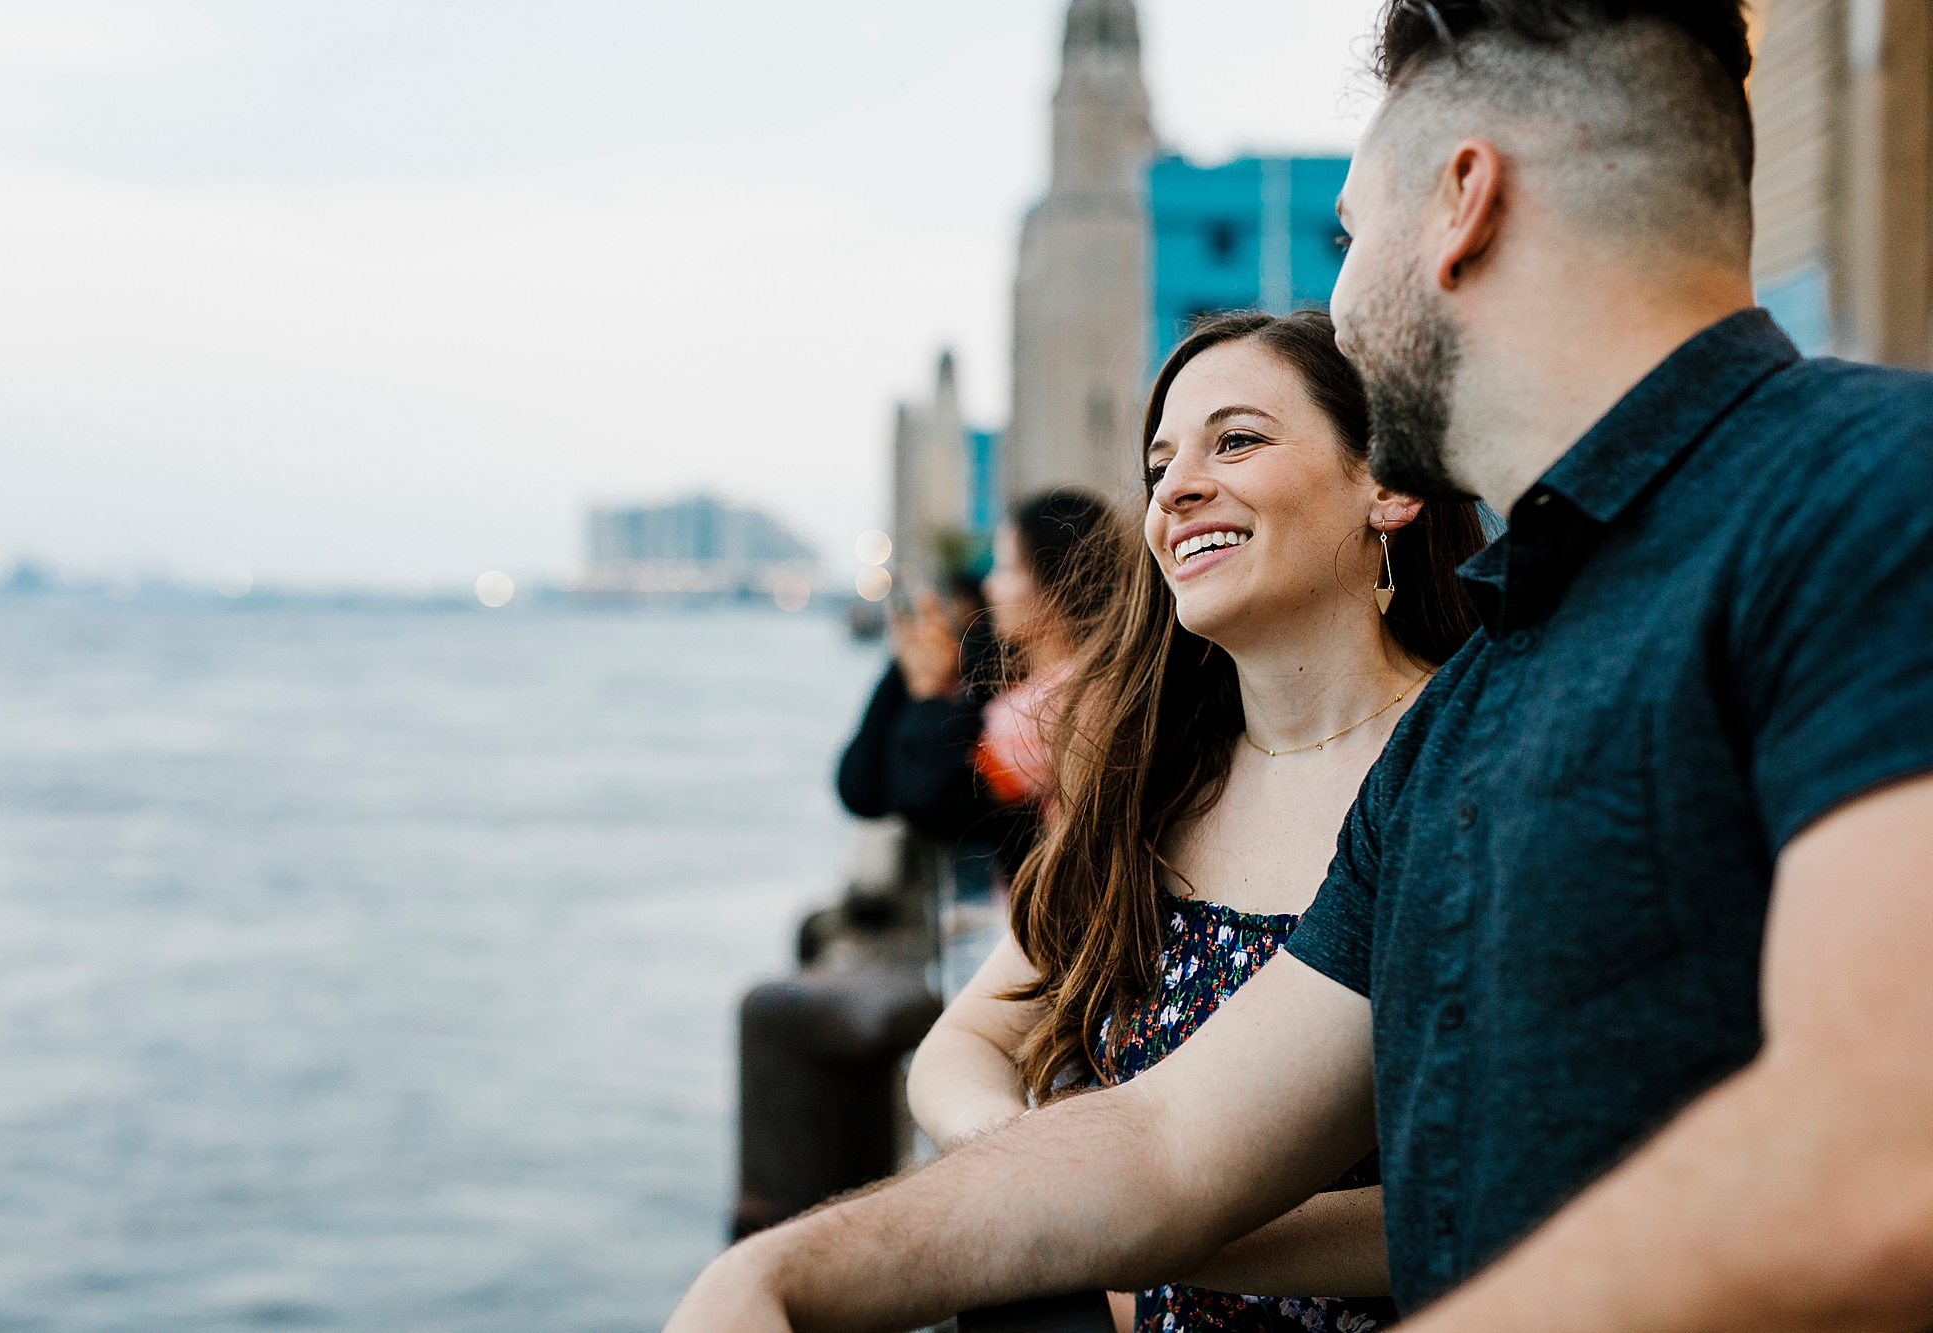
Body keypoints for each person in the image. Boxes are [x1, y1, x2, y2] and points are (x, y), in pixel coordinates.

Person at [663, 1, 1933, 1329]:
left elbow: (1880, 1171)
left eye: (1345, 231)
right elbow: (1172, 1148)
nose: (1336, 295)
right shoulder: (1479, 709)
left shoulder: (1873, 499)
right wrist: (778, 1272)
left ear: (1461, 204)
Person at [906, 310, 1483, 1333]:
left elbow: (1509, 1188)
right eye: (1159, 462)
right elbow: (961, 1048)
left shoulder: (1479, 761)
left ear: (1386, 486)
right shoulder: (1156, 785)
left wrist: (1133, 1219)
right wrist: (1032, 1168)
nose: (1173, 489)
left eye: (1237, 440)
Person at [835, 490, 1117, 987]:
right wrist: (921, 683)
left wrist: (927, 693)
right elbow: (868, 787)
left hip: (1063, 957)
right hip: (1053, 943)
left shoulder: (1061, 705)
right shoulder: (1075, 687)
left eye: (1007, 569)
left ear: (1054, 584)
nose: (990, 587)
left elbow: (934, 798)